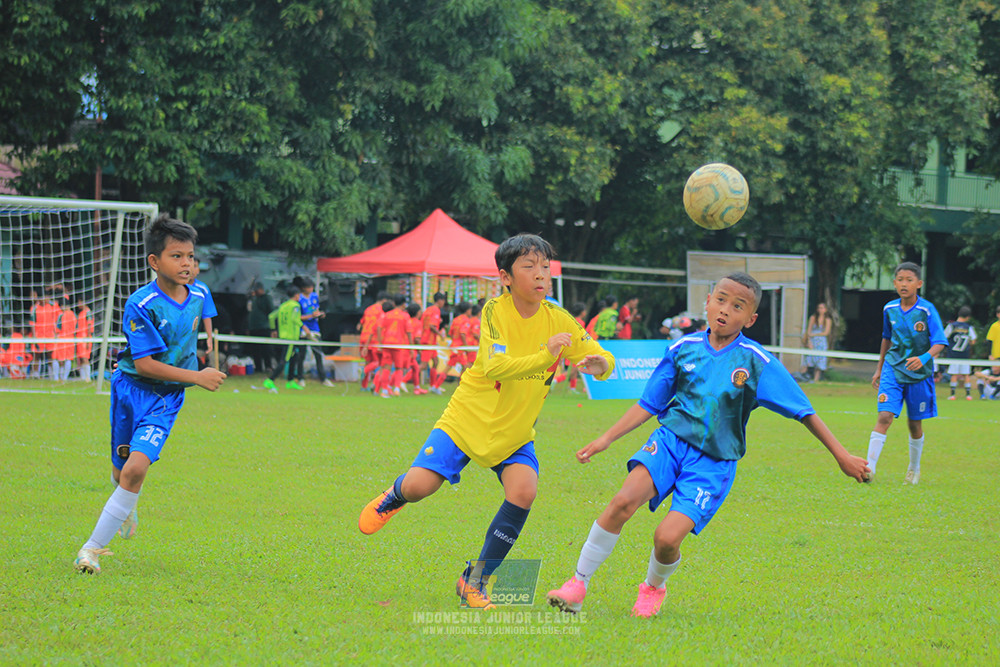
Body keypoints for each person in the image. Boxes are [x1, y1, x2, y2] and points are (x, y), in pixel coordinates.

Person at [546, 272, 870, 618]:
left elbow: (804, 411)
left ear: (751, 319)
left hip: (713, 463)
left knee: (666, 539)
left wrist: (842, 456)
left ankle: (653, 587)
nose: (725, 310)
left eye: (737, 306)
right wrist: (606, 438)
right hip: (669, 443)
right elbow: (650, 403)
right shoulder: (682, 349)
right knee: (622, 502)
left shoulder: (756, 362)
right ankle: (577, 584)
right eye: (720, 300)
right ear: (708, 302)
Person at [357, 234, 616, 609]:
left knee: (523, 492)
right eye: (529, 266)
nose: (540, 274)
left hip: (514, 432)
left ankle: (473, 580)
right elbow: (496, 366)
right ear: (505, 277)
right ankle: (395, 495)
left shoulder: (559, 319)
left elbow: (598, 353)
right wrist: (545, 356)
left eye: (545, 267)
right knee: (418, 487)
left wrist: (602, 363)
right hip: (467, 420)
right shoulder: (495, 311)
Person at [73, 214, 226, 574]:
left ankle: (90, 550)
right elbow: (144, 365)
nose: (187, 263)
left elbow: (205, 319)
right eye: (177, 256)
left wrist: (208, 346)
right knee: (121, 471)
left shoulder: (200, 293)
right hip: (130, 390)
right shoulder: (141, 304)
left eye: (191, 256)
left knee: (136, 469)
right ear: (154, 261)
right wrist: (198, 376)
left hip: (165, 398)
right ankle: (127, 503)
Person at [865, 262, 946, 485]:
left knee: (914, 424)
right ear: (894, 283)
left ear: (918, 284)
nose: (904, 284)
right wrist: (879, 368)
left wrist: (923, 358)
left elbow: (939, 342)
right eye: (900, 280)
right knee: (884, 416)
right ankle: (869, 469)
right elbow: (886, 338)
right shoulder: (889, 309)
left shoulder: (926, 310)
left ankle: (913, 469)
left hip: (919, 374)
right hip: (893, 368)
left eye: (909, 280)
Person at [263, 285, 309, 392]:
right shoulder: (295, 306)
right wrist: (304, 327)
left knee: (294, 357)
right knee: (284, 360)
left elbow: (271, 316)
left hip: (283, 335)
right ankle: (270, 380)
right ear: (296, 295)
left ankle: (290, 381)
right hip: (291, 337)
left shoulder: (283, 305)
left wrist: (273, 330)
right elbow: (295, 319)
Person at [296, 277, 333, 386]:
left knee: (318, 353)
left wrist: (320, 314)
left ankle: (323, 378)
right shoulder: (299, 299)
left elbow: (316, 310)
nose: (311, 289)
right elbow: (297, 317)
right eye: (309, 287)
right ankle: (300, 378)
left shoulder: (314, 296)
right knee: (301, 355)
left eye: (312, 287)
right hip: (303, 329)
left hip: (315, 328)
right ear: (304, 288)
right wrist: (310, 316)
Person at [430, 301, 473, 394]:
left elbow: (451, 333)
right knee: (465, 366)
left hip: (454, 346)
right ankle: (460, 387)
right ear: (467, 310)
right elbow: (463, 333)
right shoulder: (466, 320)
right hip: (459, 348)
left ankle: (437, 386)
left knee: (453, 367)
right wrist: (466, 346)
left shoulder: (456, 319)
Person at [374, 294, 412, 397]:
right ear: (404, 304)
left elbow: (379, 327)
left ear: (394, 303)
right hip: (398, 345)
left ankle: (384, 390)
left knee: (386, 368)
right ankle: (396, 389)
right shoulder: (405, 316)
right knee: (399, 368)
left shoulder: (387, 315)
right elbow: (409, 332)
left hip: (387, 344)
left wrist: (380, 342)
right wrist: (411, 347)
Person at [189, 257, 217, 367]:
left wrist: (209, 337)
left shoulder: (202, 289)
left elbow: (207, 315)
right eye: (190, 265)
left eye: (195, 266)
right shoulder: (175, 286)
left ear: (198, 270)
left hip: (193, 333)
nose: (192, 269)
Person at [943, 306, 976, 401]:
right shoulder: (969, 327)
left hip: (953, 354)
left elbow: (944, 337)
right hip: (965, 355)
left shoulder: (952, 326)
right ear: (968, 317)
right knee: (966, 374)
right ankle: (968, 395)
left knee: (954, 374)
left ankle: (953, 394)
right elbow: (973, 340)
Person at [359, 291, 390, 391]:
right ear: (384, 300)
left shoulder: (368, 309)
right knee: (378, 362)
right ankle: (365, 371)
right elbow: (379, 327)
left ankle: (364, 386)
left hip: (364, 337)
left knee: (368, 361)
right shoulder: (382, 311)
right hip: (373, 338)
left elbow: (361, 323)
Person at [247, 282, 276, 375]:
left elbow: (271, 311)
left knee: (266, 349)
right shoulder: (254, 299)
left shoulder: (266, 298)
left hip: (264, 327)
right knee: (255, 349)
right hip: (254, 327)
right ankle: (258, 367)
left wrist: (273, 328)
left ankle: (268, 366)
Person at [419, 292, 447, 390]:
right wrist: (440, 334)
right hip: (428, 341)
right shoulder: (436, 310)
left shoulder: (428, 309)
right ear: (440, 300)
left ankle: (433, 385)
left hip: (428, 339)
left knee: (435, 361)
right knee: (423, 365)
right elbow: (431, 325)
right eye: (443, 301)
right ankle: (402, 381)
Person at [801, 303, 833, 383]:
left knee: (820, 361)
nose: (820, 310)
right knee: (808, 360)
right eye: (819, 308)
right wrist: (809, 341)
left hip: (821, 343)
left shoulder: (827, 320)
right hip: (813, 342)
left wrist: (815, 334)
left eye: (822, 308)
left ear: (825, 310)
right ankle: (801, 376)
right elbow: (809, 331)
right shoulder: (813, 318)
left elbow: (826, 332)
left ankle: (816, 379)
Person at [52, 292, 77, 382]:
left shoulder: (61, 315)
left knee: (56, 358)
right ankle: (65, 377)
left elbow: (57, 328)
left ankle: (56, 377)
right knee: (68, 358)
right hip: (71, 339)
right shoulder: (74, 315)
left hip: (61, 339)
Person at [76, 297, 94, 381]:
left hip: (85, 337)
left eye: (79, 302)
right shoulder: (81, 313)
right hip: (80, 338)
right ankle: (83, 378)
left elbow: (89, 325)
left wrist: (87, 339)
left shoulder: (88, 312)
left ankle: (88, 377)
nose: (78, 304)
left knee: (85, 357)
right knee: (81, 358)